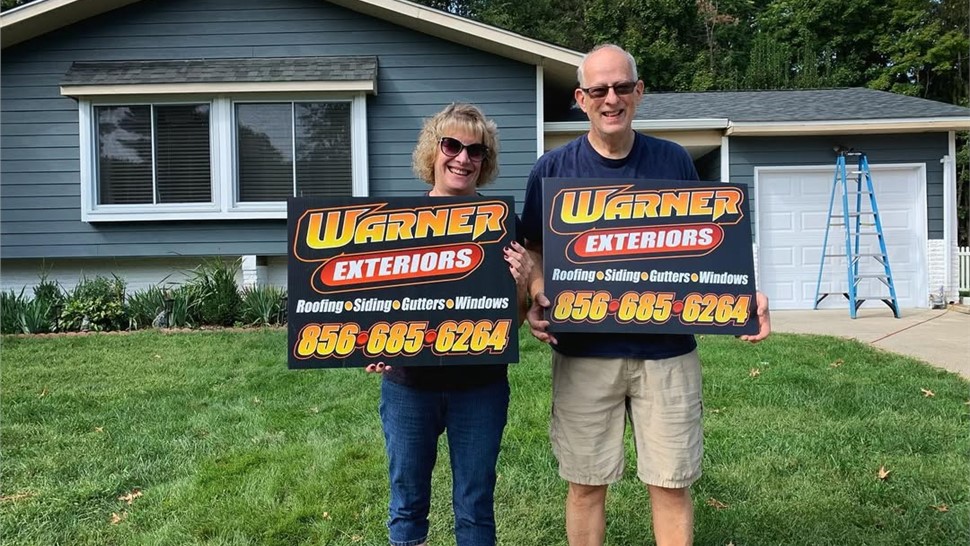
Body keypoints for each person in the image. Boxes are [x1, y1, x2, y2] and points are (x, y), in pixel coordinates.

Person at [520, 44, 772, 546]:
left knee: (671, 485)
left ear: (638, 92)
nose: (610, 99)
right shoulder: (550, 169)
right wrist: (536, 292)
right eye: (598, 90)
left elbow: (706, 246)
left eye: (621, 87)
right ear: (581, 98)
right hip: (584, 352)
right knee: (586, 486)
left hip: (667, 354)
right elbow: (533, 250)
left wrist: (746, 296)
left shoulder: (673, 161)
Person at [364, 102, 532, 546]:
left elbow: (511, 321)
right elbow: (377, 304)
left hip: (480, 386)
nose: (462, 158)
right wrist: (372, 342)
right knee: (407, 501)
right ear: (432, 151)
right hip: (408, 385)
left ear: (485, 161)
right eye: (452, 145)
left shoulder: (502, 224)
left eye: (475, 151)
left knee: (475, 506)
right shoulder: (395, 223)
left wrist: (523, 281)